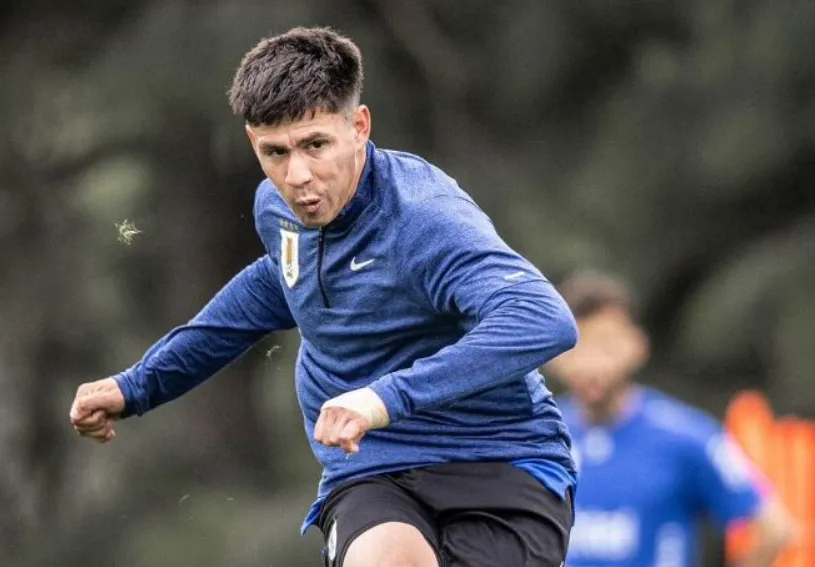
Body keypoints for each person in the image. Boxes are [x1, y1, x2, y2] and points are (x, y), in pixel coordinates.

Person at [69, 27, 580, 567]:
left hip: (495, 460)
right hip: (370, 467)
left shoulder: (425, 220)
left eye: (316, 145)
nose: (298, 177)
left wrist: (382, 398)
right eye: (275, 152)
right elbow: (272, 288)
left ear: (358, 126)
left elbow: (543, 320)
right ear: (253, 143)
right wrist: (139, 385)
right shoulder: (277, 206)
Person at [548, 270, 794, 567]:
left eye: (606, 344)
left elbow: (773, 528)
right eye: (576, 345)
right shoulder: (538, 434)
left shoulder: (684, 435)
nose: (591, 361)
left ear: (636, 346)